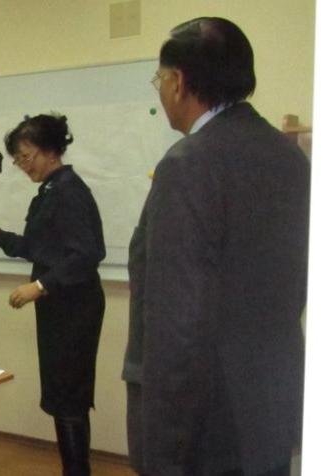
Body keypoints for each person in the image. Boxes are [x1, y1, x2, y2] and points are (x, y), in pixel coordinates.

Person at [122, 17, 309, 476]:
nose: (160, 89)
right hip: (270, 395)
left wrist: (165, 449)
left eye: (159, 79)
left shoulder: (189, 164)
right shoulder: (289, 156)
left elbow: (176, 322)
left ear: (179, 82)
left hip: (205, 420)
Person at [0, 113, 106, 476]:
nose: (22, 165)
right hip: (59, 307)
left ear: (50, 151)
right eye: (18, 160)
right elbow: (38, 247)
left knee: (70, 397)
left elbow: (87, 255)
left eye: (26, 157)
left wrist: (39, 286)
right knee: (63, 396)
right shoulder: (50, 190)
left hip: (75, 307)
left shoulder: (70, 191)